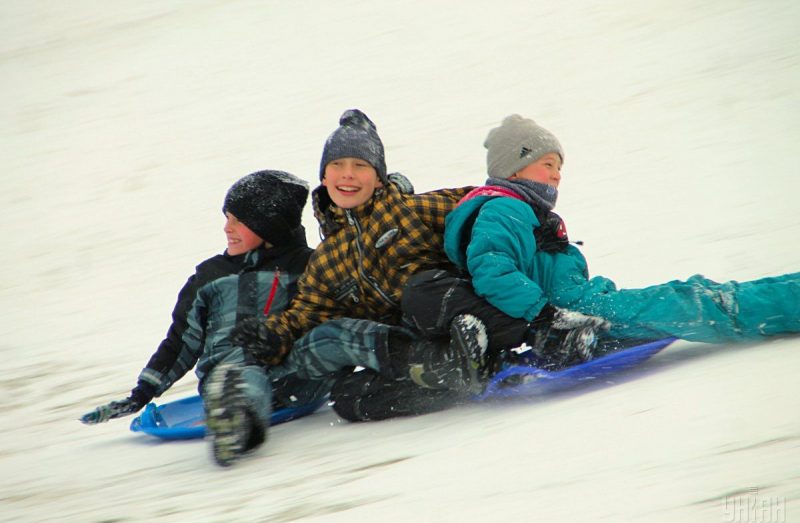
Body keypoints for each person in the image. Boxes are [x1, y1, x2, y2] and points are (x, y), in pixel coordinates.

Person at [229, 109, 493, 440]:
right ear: (324, 178)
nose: (347, 175)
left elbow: (485, 204)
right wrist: (272, 335)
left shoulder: (410, 210)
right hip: (407, 355)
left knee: (416, 292)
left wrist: (530, 225)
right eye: (337, 165)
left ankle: (463, 359)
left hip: (456, 324)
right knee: (347, 398)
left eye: (360, 165)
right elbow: (304, 314)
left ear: (379, 177)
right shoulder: (327, 259)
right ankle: (450, 383)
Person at [440, 114, 800, 347]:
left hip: (582, 301)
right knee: (695, 302)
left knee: (692, 295)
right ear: (514, 170)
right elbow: (491, 268)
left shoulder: (515, 208)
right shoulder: (505, 208)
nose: (556, 175)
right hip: (575, 309)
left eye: (559, 167)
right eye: (547, 164)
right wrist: (547, 316)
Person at [80, 170, 326, 467]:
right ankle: (235, 420)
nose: (227, 228)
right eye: (226, 217)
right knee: (236, 374)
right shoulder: (211, 276)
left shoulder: (308, 266)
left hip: (296, 374)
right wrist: (141, 393)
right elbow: (181, 340)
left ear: (269, 226)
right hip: (230, 378)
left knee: (324, 339)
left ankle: (237, 419)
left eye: (238, 220)